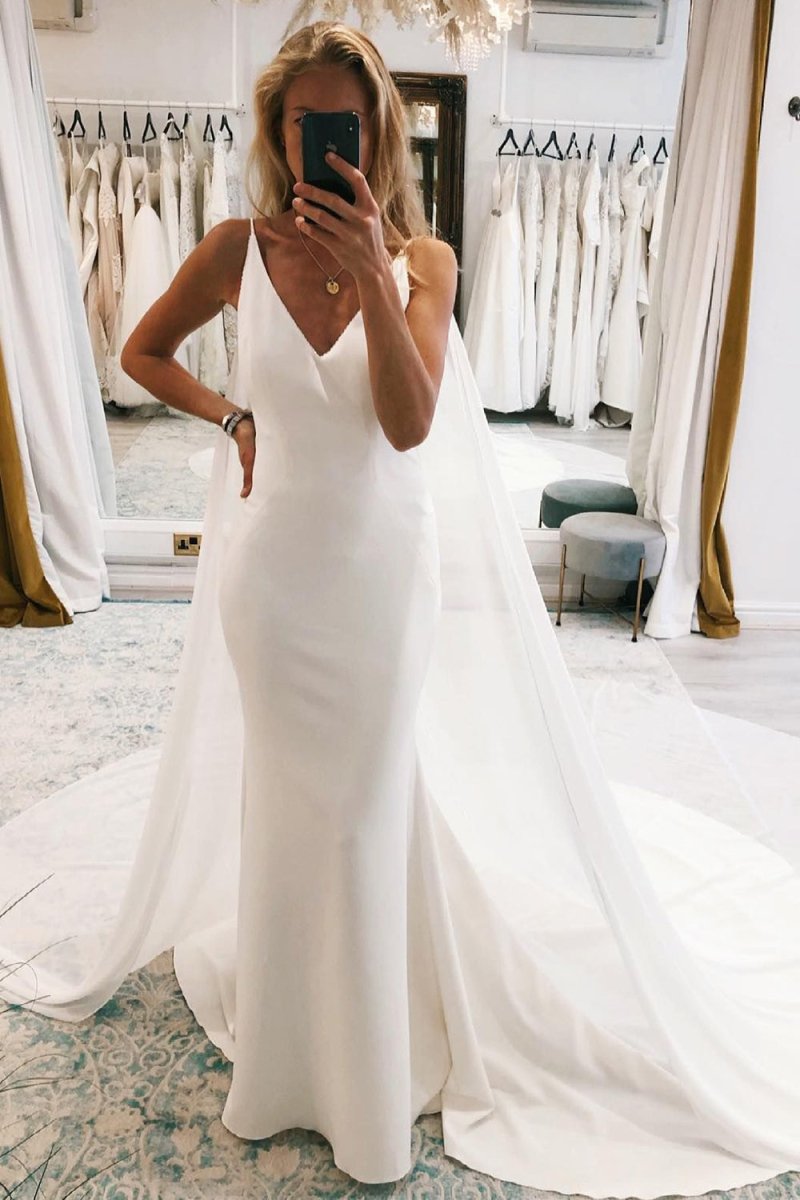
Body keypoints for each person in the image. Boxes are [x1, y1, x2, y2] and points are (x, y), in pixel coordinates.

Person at [2, 20, 800, 1197]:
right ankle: (287, 1055)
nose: (327, 140)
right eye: (304, 122)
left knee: (364, 806)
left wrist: (374, 271)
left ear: (376, 133)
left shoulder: (426, 264)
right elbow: (142, 352)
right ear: (279, 133)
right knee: (289, 806)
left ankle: (369, 1071)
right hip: (273, 579)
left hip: (378, 578)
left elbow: (407, 420)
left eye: (348, 121)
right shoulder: (233, 248)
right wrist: (230, 416)